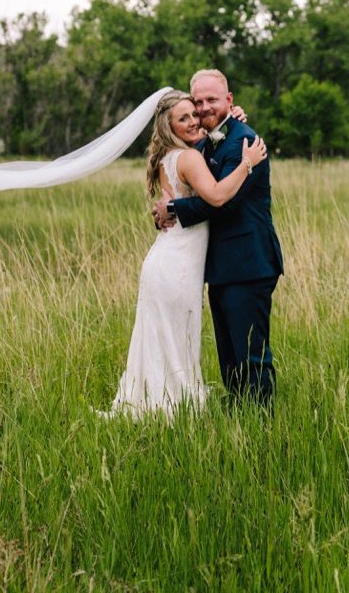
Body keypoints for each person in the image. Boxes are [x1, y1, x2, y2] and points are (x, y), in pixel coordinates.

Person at [104, 90, 268, 418]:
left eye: (195, 114)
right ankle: (174, 410)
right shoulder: (189, 158)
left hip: (168, 261)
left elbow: (209, 145)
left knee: (166, 338)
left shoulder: (173, 155)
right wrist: (248, 163)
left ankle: (158, 405)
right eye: (184, 118)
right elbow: (219, 196)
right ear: (168, 125)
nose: (194, 120)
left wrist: (229, 121)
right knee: (176, 338)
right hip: (176, 266)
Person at [153, 69, 283, 406]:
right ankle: (241, 416)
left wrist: (174, 208)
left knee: (251, 354)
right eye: (199, 102)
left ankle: (260, 423)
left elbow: (221, 203)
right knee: (230, 355)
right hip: (223, 267)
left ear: (229, 100)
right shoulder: (209, 140)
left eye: (212, 100)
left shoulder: (243, 142)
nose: (204, 107)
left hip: (248, 264)